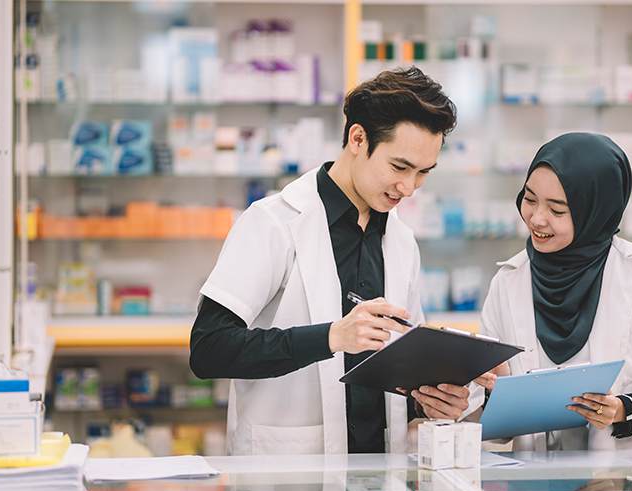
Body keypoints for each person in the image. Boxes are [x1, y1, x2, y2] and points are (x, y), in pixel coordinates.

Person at [190, 67, 470, 456]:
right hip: (289, 473)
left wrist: (428, 399)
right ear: (358, 138)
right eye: (399, 167)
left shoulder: (402, 242)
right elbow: (209, 349)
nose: (408, 188)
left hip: (377, 472)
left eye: (423, 172)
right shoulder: (274, 222)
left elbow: (392, 379)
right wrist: (330, 337)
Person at [470, 132, 632, 451]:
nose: (536, 218)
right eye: (529, 199)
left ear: (597, 211)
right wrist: (494, 393)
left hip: (624, 482)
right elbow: (491, 423)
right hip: (531, 481)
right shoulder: (508, 281)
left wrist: (623, 411)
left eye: (558, 210)